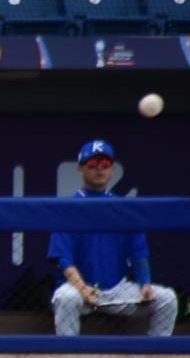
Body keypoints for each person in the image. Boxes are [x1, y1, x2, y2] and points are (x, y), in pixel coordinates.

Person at [47, 140, 177, 337]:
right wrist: (82, 288)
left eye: (105, 164)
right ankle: (68, 356)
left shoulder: (123, 210)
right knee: (66, 298)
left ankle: (154, 356)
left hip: (117, 289)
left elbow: (138, 254)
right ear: (80, 169)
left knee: (167, 298)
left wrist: (145, 284)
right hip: (79, 289)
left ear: (112, 170)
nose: (99, 169)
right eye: (92, 164)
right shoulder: (69, 208)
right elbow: (63, 259)